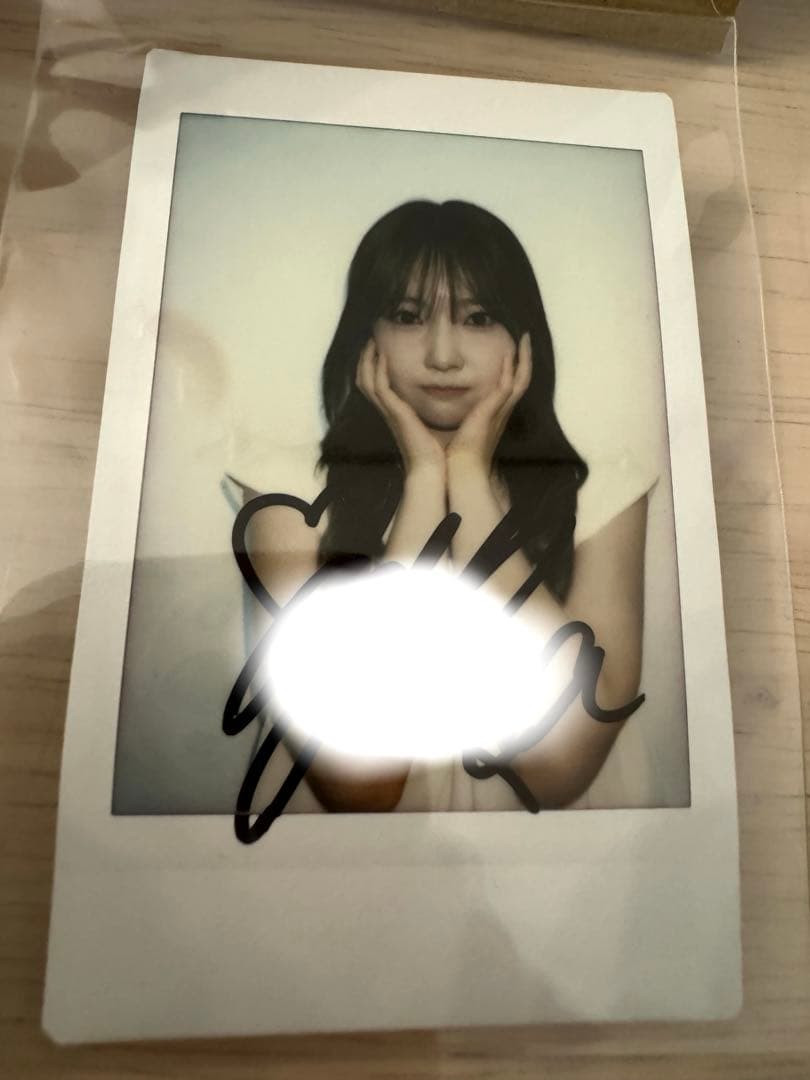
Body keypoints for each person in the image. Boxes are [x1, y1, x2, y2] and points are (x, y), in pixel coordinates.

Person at [234, 199, 649, 814]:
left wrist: (470, 480)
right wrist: (426, 482)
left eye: (479, 318)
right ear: (365, 335)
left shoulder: (603, 492)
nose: (443, 354)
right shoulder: (284, 489)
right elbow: (359, 786)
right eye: (407, 317)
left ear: (524, 338)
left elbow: (561, 769)